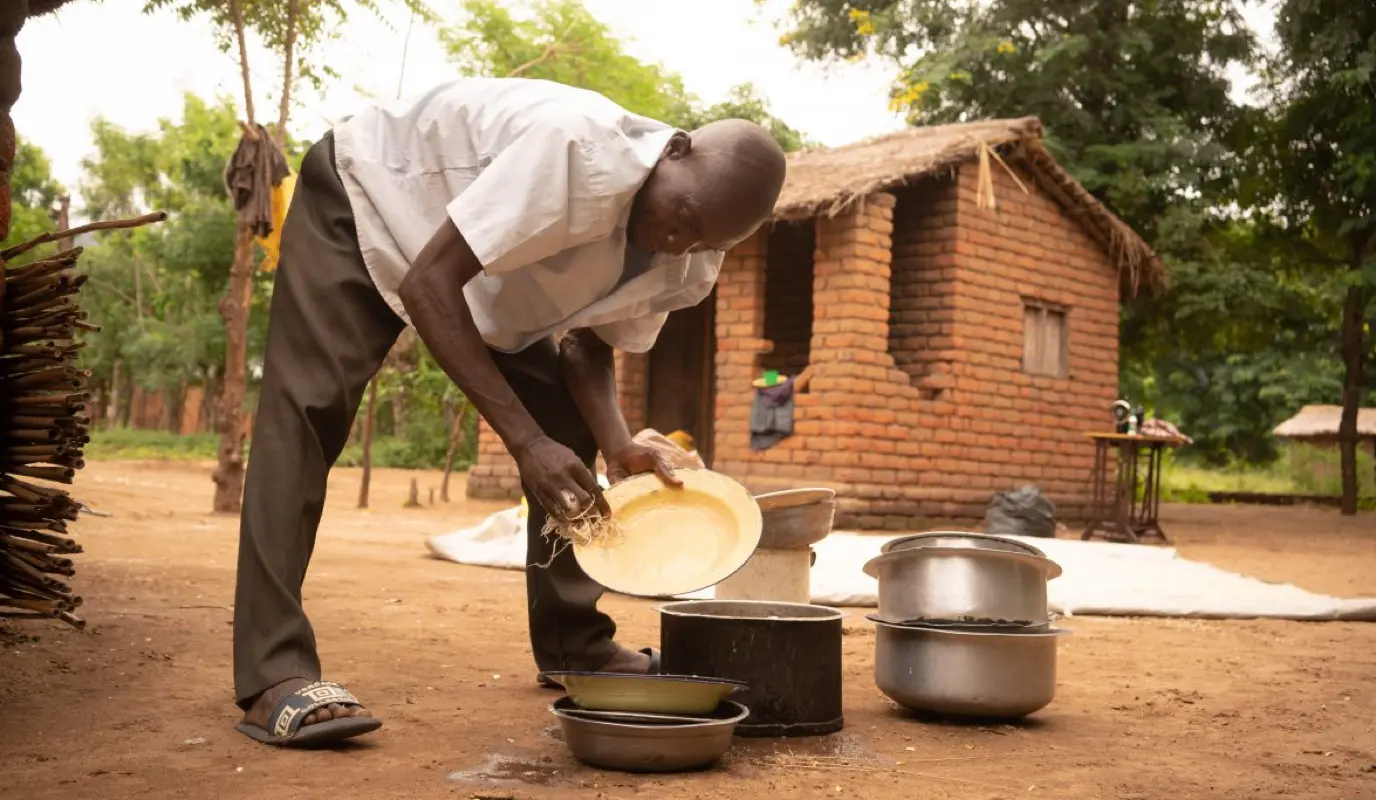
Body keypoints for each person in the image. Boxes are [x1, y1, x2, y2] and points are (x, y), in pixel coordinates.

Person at [229, 77, 788, 747]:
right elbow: (427, 284)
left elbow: (586, 346)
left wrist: (616, 445)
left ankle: (574, 645)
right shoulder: (577, 149)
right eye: (684, 216)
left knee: (568, 427)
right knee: (308, 411)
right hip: (370, 200)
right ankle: (274, 671)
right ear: (672, 151)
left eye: (702, 241)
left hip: (482, 284)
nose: (678, 241)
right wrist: (523, 440)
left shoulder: (692, 263)